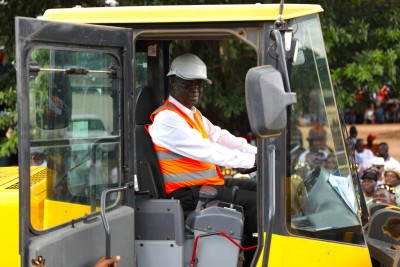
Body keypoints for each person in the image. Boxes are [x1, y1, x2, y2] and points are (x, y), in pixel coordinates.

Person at [147, 53, 257, 266]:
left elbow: (219, 136)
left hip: (204, 185)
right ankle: (254, 260)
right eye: (188, 85)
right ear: (172, 85)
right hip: (186, 192)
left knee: (257, 189)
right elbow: (207, 150)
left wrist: (256, 152)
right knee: (256, 203)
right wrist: (249, 162)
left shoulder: (191, 113)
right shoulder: (167, 120)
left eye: (199, 85)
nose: (195, 89)